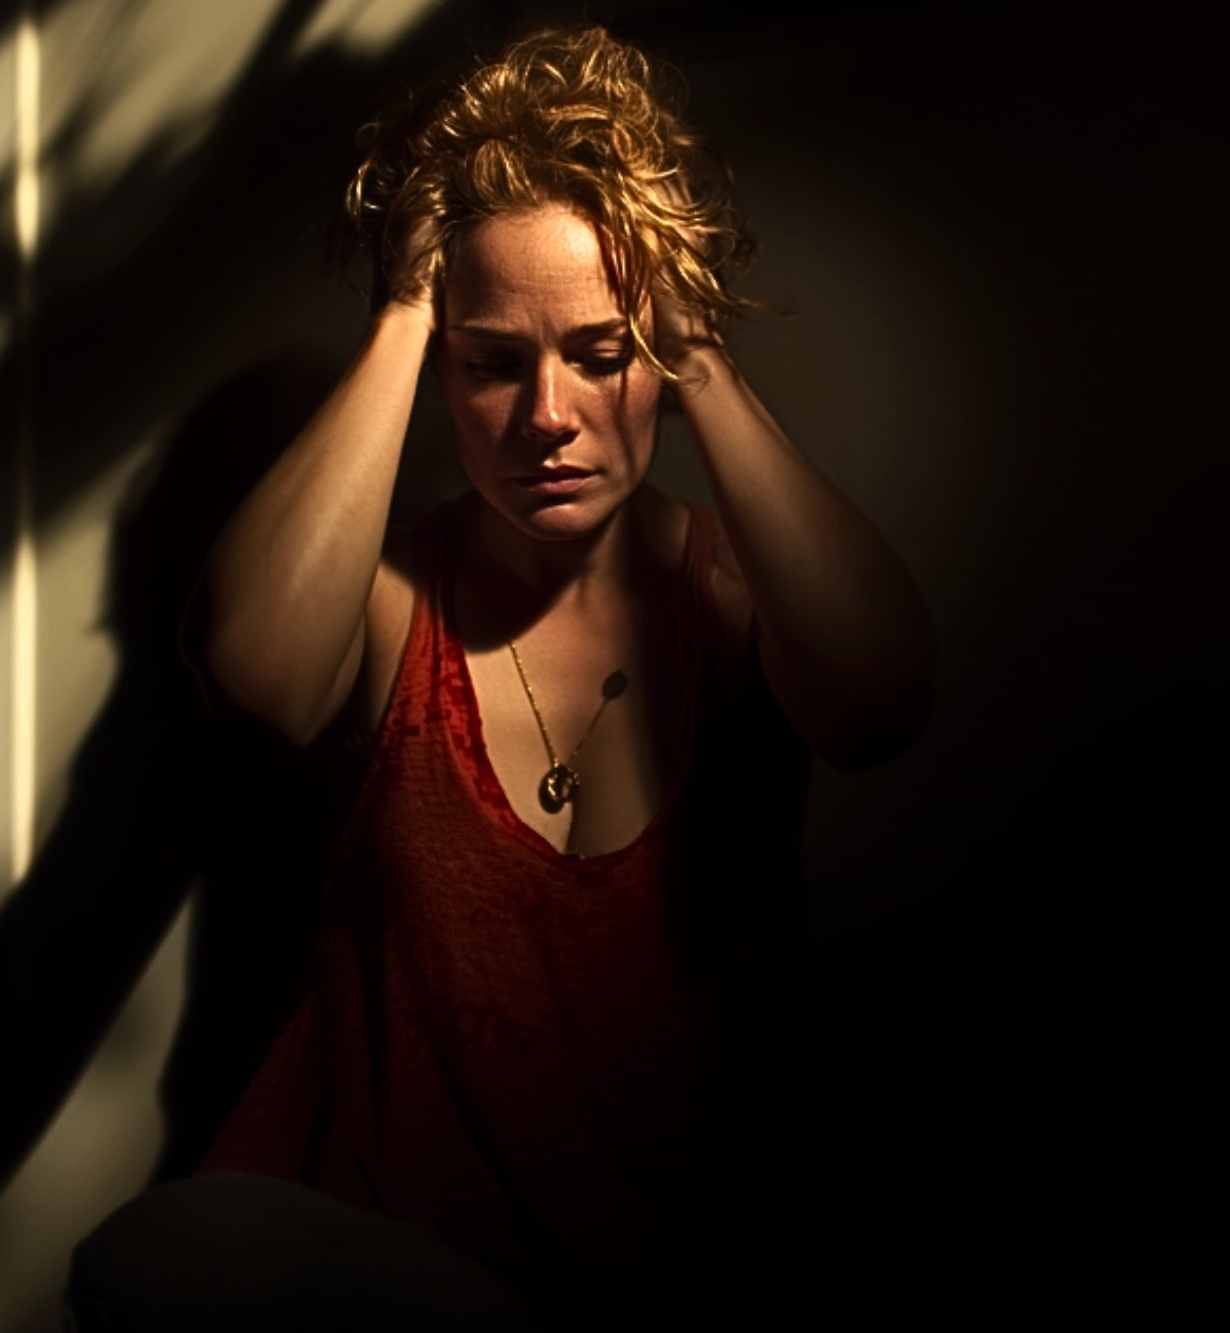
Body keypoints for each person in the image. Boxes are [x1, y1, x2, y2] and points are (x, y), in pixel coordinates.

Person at [67, 23, 934, 1331]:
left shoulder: (739, 597)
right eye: (493, 364)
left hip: (675, 1279)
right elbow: (252, 673)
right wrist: (408, 312)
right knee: (153, 1253)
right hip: (377, 1281)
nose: (545, 416)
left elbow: (882, 705)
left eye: (598, 352)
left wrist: (696, 347)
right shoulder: (390, 602)